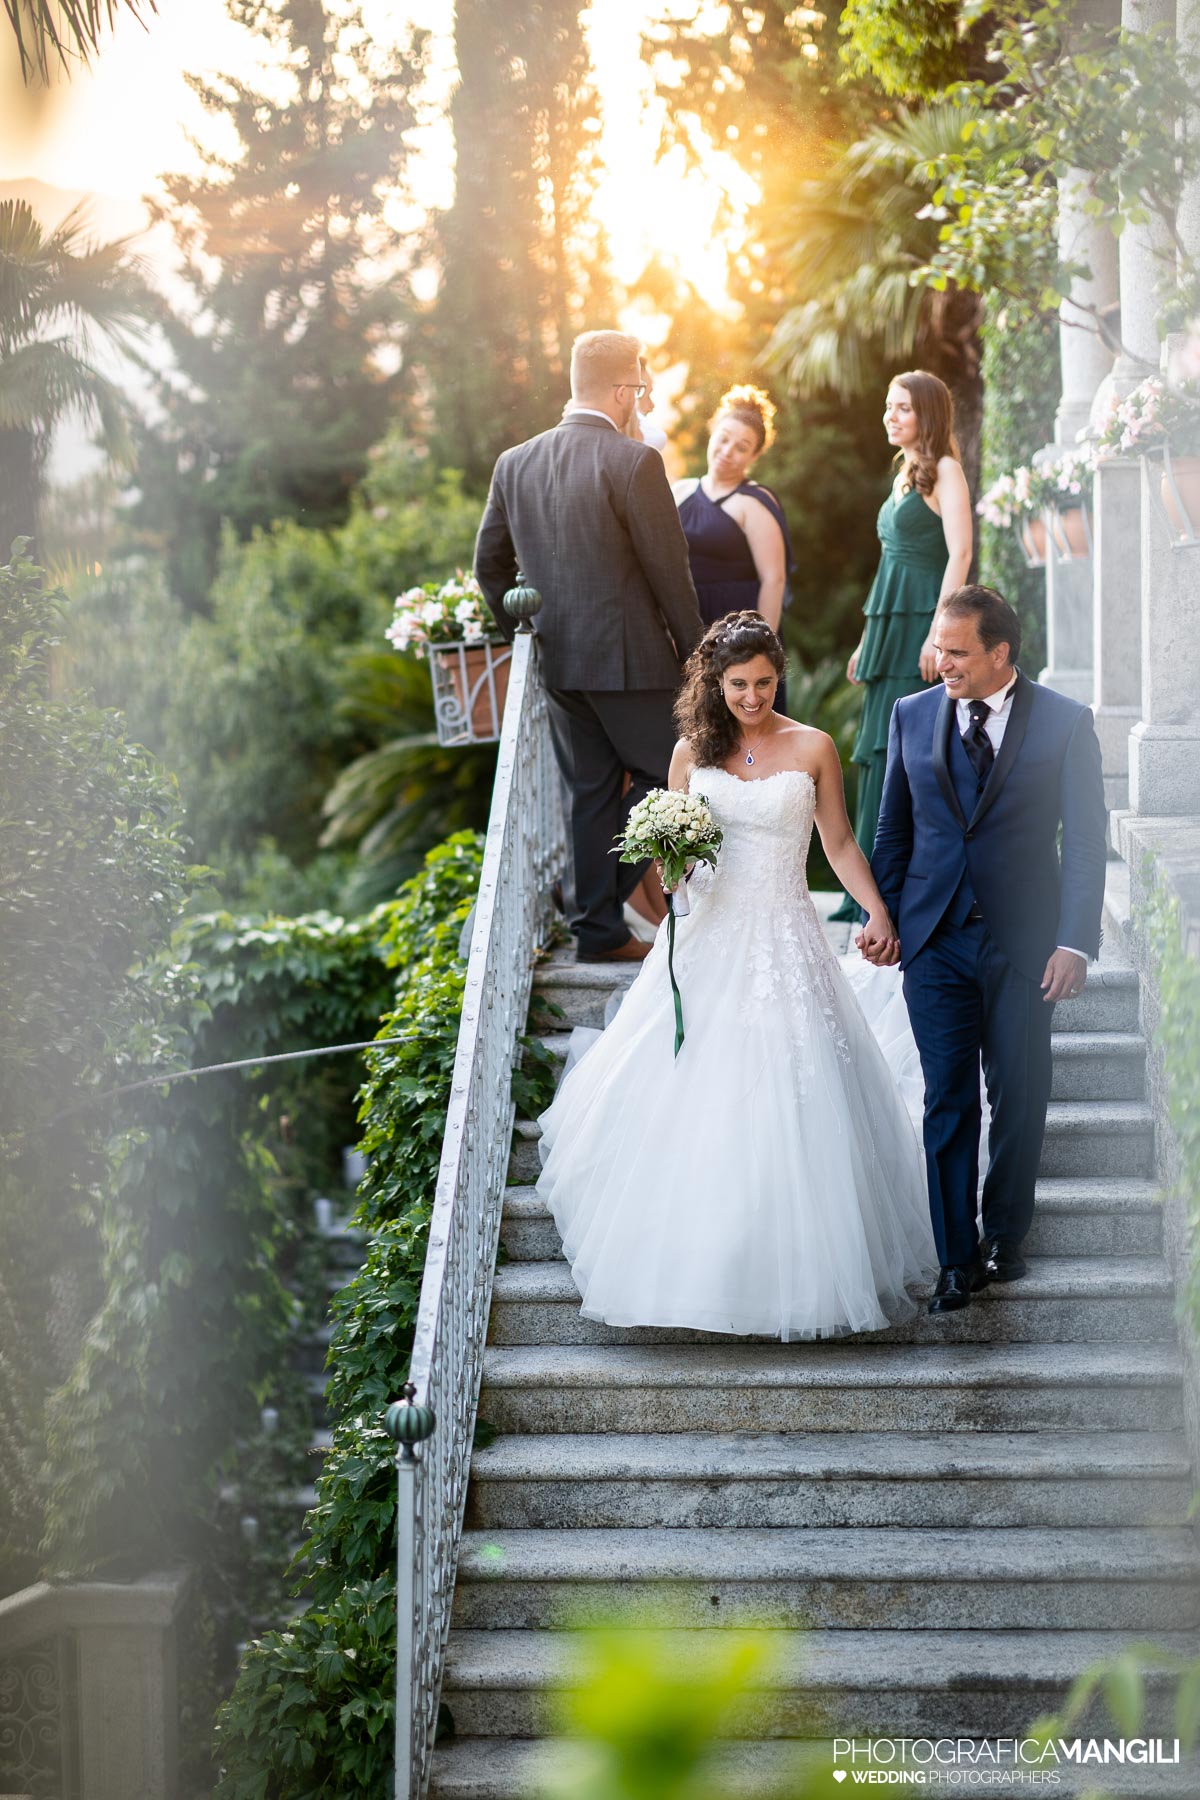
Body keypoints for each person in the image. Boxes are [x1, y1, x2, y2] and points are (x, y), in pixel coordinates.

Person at [536, 613, 936, 1340]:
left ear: (778, 676)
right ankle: (694, 1264)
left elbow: (838, 844)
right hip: (709, 937)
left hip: (785, 937)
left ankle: (793, 1270)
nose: (751, 697)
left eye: (762, 683)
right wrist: (673, 865)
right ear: (714, 684)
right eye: (737, 685)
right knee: (698, 1088)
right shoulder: (692, 752)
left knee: (795, 1089)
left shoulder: (813, 747)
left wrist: (878, 913)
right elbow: (676, 864)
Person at [868, 585, 1107, 1315]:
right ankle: (955, 1259)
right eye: (940, 648)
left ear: (1000, 653)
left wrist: (1075, 942)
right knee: (947, 1098)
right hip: (934, 939)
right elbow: (893, 833)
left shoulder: (1067, 724)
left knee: (1020, 1091)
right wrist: (884, 914)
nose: (942, 661)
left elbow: (1087, 845)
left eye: (958, 650)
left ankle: (1006, 1235)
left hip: (1028, 944)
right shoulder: (911, 715)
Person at [475, 329, 705, 965]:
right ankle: (585, 899)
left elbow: (489, 569)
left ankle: (596, 930)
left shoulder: (512, 462)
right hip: (633, 663)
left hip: (559, 663)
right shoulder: (635, 462)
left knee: (593, 791)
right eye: (639, 385)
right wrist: (699, 661)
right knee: (671, 772)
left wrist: (526, 636)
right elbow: (669, 572)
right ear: (621, 388)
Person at [830, 370, 973, 922]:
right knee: (877, 750)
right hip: (888, 626)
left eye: (903, 408)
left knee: (906, 754)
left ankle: (894, 888)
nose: (890, 416)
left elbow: (959, 554)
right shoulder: (902, 472)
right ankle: (866, 889)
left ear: (928, 415)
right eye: (888, 406)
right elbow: (889, 561)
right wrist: (869, 636)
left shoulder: (945, 471)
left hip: (924, 624)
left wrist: (942, 636)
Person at [672, 384, 793, 713]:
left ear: (754, 457)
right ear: (712, 432)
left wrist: (759, 649)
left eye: (741, 447)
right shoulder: (678, 492)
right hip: (688, 625)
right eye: (723, 438)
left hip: (736, 628)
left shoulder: (754, 503)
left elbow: (774, 579)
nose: (727, 451)